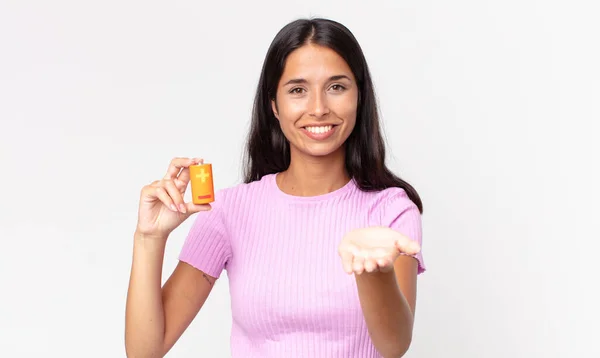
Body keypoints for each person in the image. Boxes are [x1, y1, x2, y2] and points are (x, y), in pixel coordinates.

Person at [125, 17, 425, 358]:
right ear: (274, 106)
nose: (318, 108)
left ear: (359, 96)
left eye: (337, 87)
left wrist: (376, 271)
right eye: (298, 90)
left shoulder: (391, 210)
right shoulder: (229, 211)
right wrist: (149, 238)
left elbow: (394, 345)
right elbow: (143, 352)